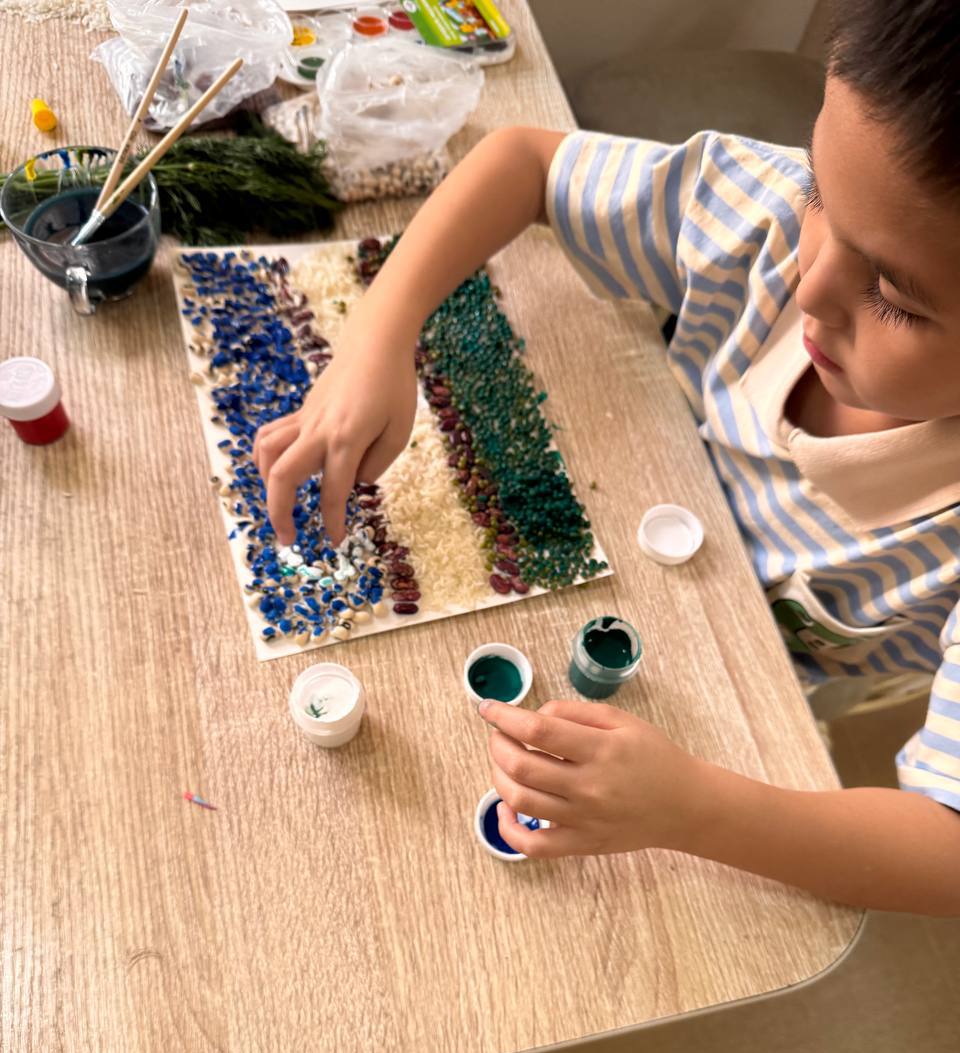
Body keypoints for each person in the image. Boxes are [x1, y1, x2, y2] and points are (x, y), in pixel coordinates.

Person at [254, 0, 960, 913]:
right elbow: (523, 162)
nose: (810, 285)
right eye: (823, 189)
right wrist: (373, 339)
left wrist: (697, 810)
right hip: (638, 507)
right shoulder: (764, 214)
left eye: (895, 297)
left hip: (738, 724)